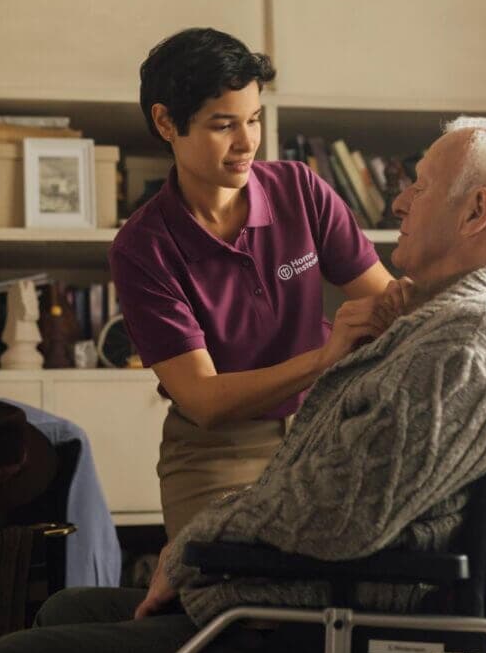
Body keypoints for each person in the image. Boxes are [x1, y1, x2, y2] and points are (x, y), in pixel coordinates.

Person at [0, 115, 486, 653]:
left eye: (419, 186)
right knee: (67, 607)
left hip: (342, 610)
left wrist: (199, 538)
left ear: (476, 213)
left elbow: (343, 515)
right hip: (340, 574)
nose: (398, 201)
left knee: (15, 650)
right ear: (169, 125)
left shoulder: (468, 343)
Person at [107, 28, 398, 540]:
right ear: (165, 122)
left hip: (328, 427)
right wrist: (324, 359)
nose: (247, 144)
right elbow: (204, 399)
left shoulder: (300, 190)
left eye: (254, 120)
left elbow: (389, 304)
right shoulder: (142, 248)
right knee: (218, 599)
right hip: (218, 452)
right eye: (224, 126)